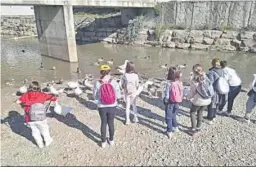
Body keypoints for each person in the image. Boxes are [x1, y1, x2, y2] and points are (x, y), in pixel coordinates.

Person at [16, 81, 57, 148]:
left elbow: (18, 101)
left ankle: (39, 144)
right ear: (39, 88)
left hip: (30, 118)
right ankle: (47, 141)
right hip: (41, 117)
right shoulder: (42, 94)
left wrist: (22, 103)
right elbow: (53, 98)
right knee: (44, 129)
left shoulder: (25, 95)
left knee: (35, 131)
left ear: (29, 88)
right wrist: (54, 95)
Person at [93, 64, 121, 148]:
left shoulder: (97, 83)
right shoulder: (114, 82)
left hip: (102, 106)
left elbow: (95, 96)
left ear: (101, 72)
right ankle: (111, 140)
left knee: (103, 123)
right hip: (112, 105)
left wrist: (100, 99)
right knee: (111, 123)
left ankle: (103, 142)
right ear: (110, 71)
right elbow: (118, 95)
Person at [187, 64, 212, 135]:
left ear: (194, 71)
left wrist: (187, 97)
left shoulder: (194, 80)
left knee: (192, 112)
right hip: (207, 99)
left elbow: (192, 93)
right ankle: (198, 127)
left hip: (199, 100)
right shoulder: (206, 77)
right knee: (200, 112)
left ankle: (193, 129)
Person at [163, 67, 183, 139]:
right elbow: (181, 91)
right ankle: (176, 127)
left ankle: (169, 131)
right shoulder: (180, 82)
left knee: (168, 117)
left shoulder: (169, 83)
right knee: (174, 115)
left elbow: (167, 95)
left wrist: (165, 101)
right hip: (177, 101)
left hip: (170, 102)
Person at [206, 58, 227, 124]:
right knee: (216, 103)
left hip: (214, 90)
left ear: (212, 63)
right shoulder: (222, 70)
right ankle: (214, 116)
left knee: (211, 104)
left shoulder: (212, 72)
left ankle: (209, 118)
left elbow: (210, 82)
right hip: (220, 89)